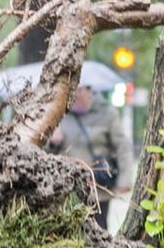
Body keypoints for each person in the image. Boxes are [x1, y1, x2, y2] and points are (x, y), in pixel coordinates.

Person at [48, 82, 133, 213]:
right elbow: (43, 153)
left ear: (89, 90)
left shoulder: (107, 113)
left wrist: (124, 182)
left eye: (79, 90)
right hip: (66, 190)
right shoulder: (59, 114)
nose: (75, 94)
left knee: (99, 230)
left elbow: (123, 147)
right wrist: (53, 142)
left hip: (98, 191)